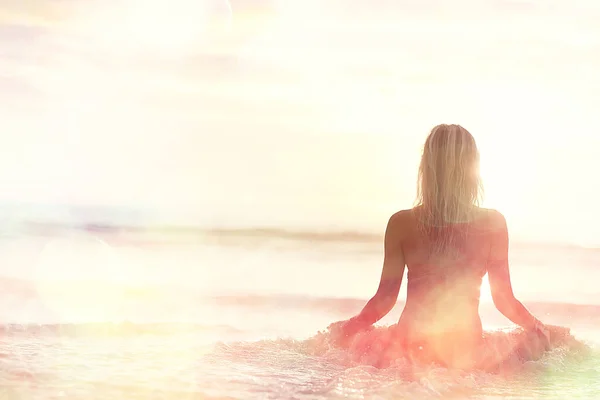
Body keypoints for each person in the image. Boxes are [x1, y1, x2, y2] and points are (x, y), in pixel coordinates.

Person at [329, 124, 551, 369]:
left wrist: (348, 328)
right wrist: (537, 327)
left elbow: (384, 300)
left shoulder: (401, 223)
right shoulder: (493, 223)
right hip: (464, 346)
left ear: (426, 168)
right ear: (473, 167)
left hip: (411, 344)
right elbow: (503, 300)